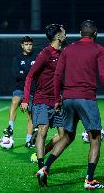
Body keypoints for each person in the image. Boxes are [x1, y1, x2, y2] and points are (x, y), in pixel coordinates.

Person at [36, 20, 104, 189]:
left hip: (68, 99)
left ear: (80, 33)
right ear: (95, 33)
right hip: (86, 99)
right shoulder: (100, 50)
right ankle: (89, 180)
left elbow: (57, 76)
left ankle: (45, 168)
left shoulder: (67, 49)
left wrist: (57, 99)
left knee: (67, 136)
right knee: (95, 138)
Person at [20, 24, 70, 186]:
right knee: (42, 131)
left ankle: (44, 156)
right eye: (63, 32)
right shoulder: (45, 54)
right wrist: (26, 99)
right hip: (42, 100)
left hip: (57, 101)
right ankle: (42, 169)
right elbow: (29, 76)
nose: (65, 34)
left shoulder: (64, 53)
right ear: (57, 36)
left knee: (64, 136)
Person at [3, 36, 37, 148]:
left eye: (30, 44)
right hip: (21, 88)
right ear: (22, 45)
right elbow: (15, 74)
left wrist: (25, 73)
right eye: (26, 44)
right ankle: (10, 127)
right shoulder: (17, 58)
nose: (28, 46)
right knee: (15, 100)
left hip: (33, 90)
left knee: (31, 115)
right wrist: (30, 74)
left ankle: (28, 140)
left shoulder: (37, 57)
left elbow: (38, 73)